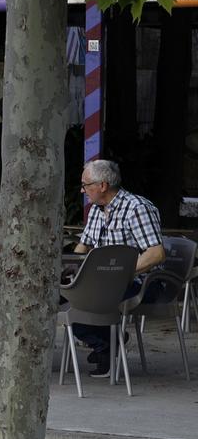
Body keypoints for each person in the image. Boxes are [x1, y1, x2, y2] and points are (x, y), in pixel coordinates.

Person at [70, 158, 165, 377]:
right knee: (60, 298)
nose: (83, 190)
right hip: (101, 280)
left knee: (84, 305)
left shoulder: (137, 208)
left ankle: (106, 344)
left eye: (85, 185)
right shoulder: (96, 209)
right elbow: (83, 246)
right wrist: (72, 271)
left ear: (102, 185)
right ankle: (107, 341)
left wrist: (120, 275)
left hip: (140, 282)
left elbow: (156, 253)